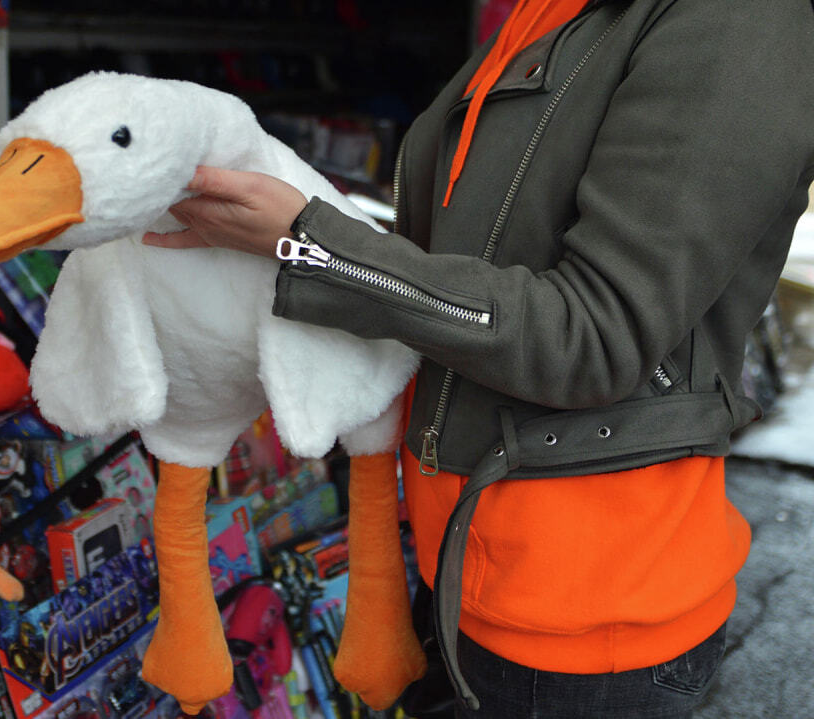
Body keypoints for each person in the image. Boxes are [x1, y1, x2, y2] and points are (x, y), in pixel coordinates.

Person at [144, 0, 814, 716]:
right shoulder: (552, 11)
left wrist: (311, 247)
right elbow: (471, 260)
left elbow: (593, 334)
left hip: (585, 620)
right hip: (460, 565)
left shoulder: (741, 18)